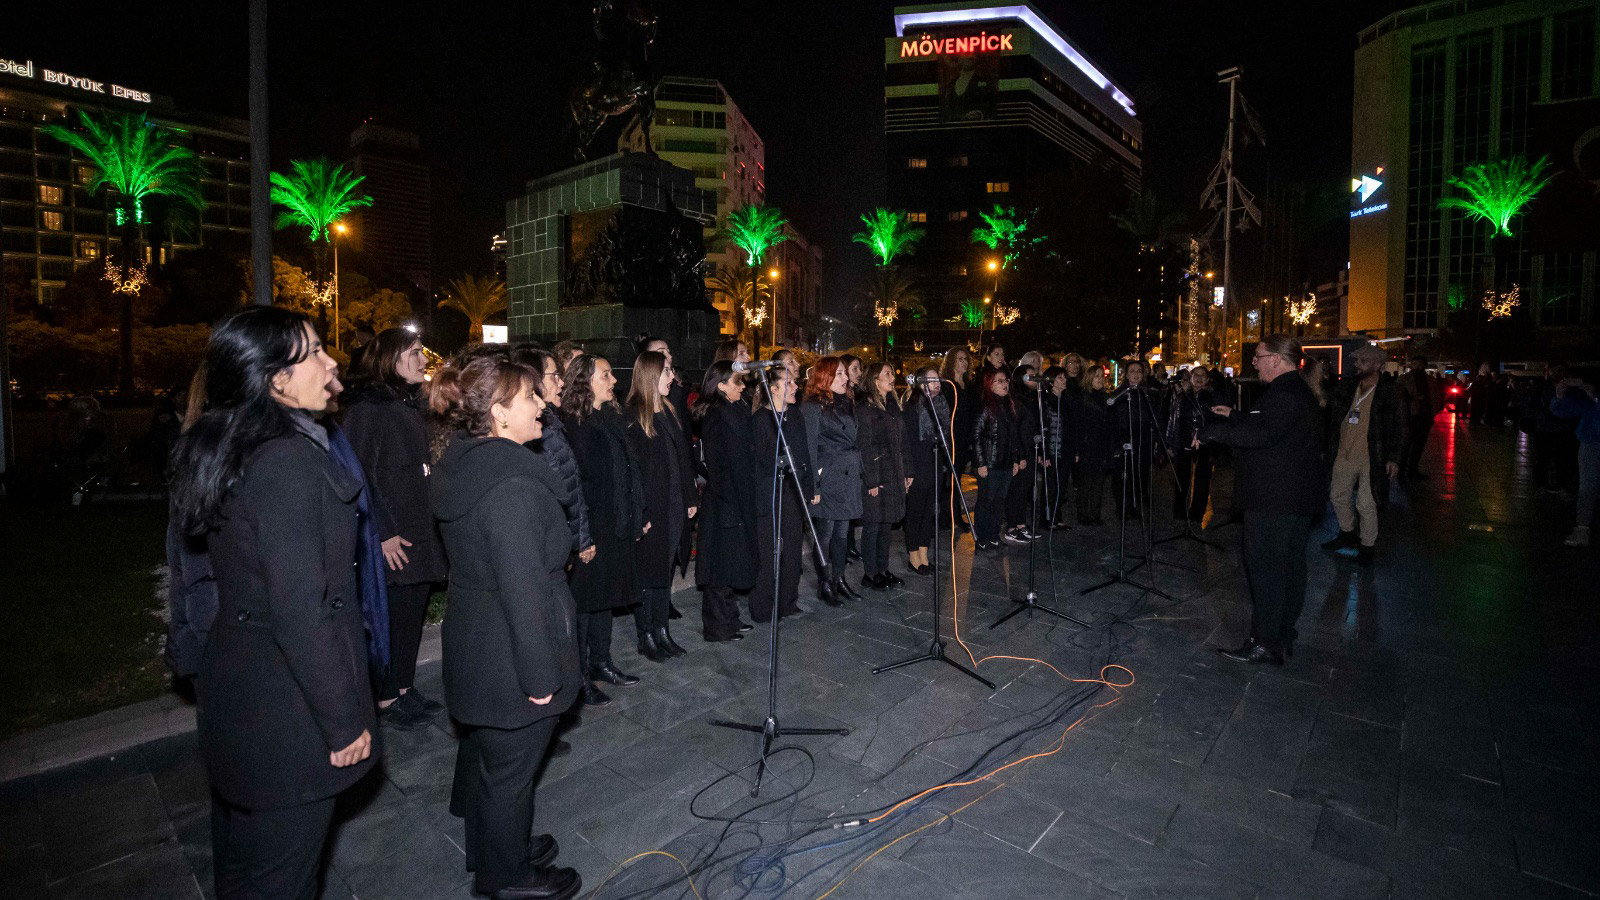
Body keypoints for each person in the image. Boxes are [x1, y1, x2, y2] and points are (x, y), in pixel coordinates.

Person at [168, 306, 374, 900]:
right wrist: (341, 722)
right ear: (276, 380)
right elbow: (302, 610)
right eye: (313, 352)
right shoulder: (285, 464)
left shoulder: (238, 444)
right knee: (282, 877)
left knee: (248, 866)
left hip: (246, 689)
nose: (332, 361)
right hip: (286, 709)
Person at [429, 353, 582, 900]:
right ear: (498, 413)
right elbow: (523, 592)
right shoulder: (511, 487)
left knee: (489, 763)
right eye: (530, 399)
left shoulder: (469, 463)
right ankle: (506, 878)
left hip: (477, 638)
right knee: (510, 773)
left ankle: (495, 846)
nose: (542, 405)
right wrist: (541, 677)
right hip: (509, 652)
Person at [341, 326, 448, 729]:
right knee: (390, 616)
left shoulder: (404, 403)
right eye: (416, 352)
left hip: (417, 529)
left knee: (411, 614)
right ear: (390, 359)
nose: (424, 360)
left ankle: (404, 686)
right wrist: (382, 532)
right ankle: (386, 696)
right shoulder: (368, 409)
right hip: (395, 535)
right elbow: (358, 474)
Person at [1199, 334, 1326, 665]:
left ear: (1276, 360)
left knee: (1267, 570)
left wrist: (1215, 431)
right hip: (1294, 500)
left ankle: (1266, 642)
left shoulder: (1283, 394)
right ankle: (1281, 632)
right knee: (1289, 567)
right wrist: (1235, 416)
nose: (1253, 362)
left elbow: (1265, 434)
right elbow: (1271, 427)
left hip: (1275, 501)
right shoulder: (1294, 391)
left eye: (1258, 356)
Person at [561, 355, 646, 705]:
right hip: (591, 528)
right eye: (606, 375)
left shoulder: (609, 417)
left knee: (605, 599)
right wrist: (582, 536)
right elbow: (574, 486)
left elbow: (628, 469)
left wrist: (638, 512)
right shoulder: (573, 425)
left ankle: (601, 660)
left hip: (614, 524)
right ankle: (578, 673)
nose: (613, 380)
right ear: (585, 382)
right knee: (585, 602)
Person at [624, 350, 697, 661]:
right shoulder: (633, 415)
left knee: (663, 573)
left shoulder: (668, 409)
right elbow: (630, 472)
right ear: (651, 376)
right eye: (667, 371)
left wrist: (691, 499)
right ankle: (646, 635)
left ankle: (662, 630)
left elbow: (683, 459)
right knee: (647, 575)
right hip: (651, 511)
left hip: (674, 506)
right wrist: (639, 514)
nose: (672, 377)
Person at [693, 361, 762, 639]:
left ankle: (730, 618)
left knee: (732, 561)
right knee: (720, 566)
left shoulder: (735, 409)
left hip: (737, 496)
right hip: (725, 499)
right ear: (721, 385)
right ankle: (717, 625)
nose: (743, 386)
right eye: (737, 382)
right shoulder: (717, 415)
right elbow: (723, 463)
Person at [1322, 345, 1405, 565]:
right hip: (1344, 452)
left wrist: (1394, 458)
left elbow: (1400, 426)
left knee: (1366, 503)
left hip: (1373, 456)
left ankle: (1367, 547)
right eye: (1357, 360)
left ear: (1377, 365)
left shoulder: (1390, 391)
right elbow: (1328, 405)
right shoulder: (1349, 386)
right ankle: (1347, 534)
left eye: (1363, 361)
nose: (1357, 364)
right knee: (1337, 495)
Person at [750, 368, 818, 616]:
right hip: (770, 492)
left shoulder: (795, 416)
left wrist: (809, 485)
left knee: (792, 548)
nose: (795, 387)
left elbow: (804, 453)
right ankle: (763, 605)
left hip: (794, 490)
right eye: (788, 383)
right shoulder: (760, 419)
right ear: (773, 388)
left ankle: (788, 601)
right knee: (769, 551)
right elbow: (758, 461)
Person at [800, 357, 865, 602]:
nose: (845, 378)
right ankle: (825, 582)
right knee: (825, 534)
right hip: (828, 477)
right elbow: (809, 448)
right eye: (839, 374)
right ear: (825, 377)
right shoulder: (813, 407)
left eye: (844, 373)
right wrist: (814, 485)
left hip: (847, 475)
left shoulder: (846, 402)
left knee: (842, 533)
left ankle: (839, 578)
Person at [856, 362, 909, 591]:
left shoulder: (892, 406)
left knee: (886, 524)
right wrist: (872, 480)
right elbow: (865, 446)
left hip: (893, 472)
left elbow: (901, 442)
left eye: (891, 372)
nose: (892, 376)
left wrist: (907, 471)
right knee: (873, 525)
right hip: (877, 474)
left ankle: (883, 569)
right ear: (875, 380)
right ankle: (870, 573)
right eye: (887, 373)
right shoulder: (865, 408)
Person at [1165, 365, 1229, 523]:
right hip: (1184, 442)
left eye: (1203, 375)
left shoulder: (1213, 396)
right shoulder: (1183, 396)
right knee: (1182, 479)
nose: (1199, 378)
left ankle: (1196, 514)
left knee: (1202, 480)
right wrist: (1170, 443)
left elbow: (1218, 421)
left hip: (1205, 443)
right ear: (1191, 378)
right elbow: (1174, 421)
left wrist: (1215, 445)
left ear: (1207, 379)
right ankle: (1180, 513)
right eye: (1196, 375)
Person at [903, 366, 951, 574]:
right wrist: (908, 471)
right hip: (918, 464)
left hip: (936, 463)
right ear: (920, 383)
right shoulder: (912, 405)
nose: (937, 382)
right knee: (915, 511)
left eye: (937, 378)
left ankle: (924, 553)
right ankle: (913, 556)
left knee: (930, 512)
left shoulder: (940, 404)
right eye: (931, 379)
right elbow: (908, 441)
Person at [971, 368, 1025, 549]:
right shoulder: (985, 406)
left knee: (999, 502)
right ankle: (982, 537)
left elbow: (1013, 436)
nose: (1005, 384)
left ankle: (994, 534)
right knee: (986, 500)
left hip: (1006, 463)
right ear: (990, 385)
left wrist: (1015, 460)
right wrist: (980, 463)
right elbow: (976, 435)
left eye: (1006, 380)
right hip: (990, 463)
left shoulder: (1009, 406)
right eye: (1000, 381)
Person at [1551, 376, 1600, 547]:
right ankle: (1582, 528)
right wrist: (1560, 394)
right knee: (1588, 486)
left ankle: (1582, 529)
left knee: (1588, 486)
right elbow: (1564, 410)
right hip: (1592, 442)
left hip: (1591, 441)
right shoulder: (1588, 396)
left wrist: (1595, 396)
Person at [1108, 360, 1159, 518]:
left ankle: (1136, 505)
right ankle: (1123, 507)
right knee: (1124, 476)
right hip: (1124, 437)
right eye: (1132, 371)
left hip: (1144, 438)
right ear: (1126, 374)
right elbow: (1113, 419)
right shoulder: (1120, 393)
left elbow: (1155, 416)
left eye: (1139, 371)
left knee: (1140, 474)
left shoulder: (1148, 392)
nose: (1136, 374)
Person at [1074, 366, 1114, 526]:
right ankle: (1083, 514)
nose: (1099, 379)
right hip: (1088, 445)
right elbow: (1078, 425)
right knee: (1086, 482)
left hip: (1102, 446)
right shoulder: (1083, 398)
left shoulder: (1105, 397)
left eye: (1101, 376)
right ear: (1089, 378)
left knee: (1099, 483)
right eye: (1096, 376)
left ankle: (1095, 514)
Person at [940, 348, 977, 476]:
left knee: (959, 471)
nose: (964, 362)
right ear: (951, 362)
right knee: (950, 475)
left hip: (966, 435)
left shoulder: (970, 385)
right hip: (952, 434)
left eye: (966, 359)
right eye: (960, 359)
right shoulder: (946, 385)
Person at [1399, 354, 1435, 479]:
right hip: (1409, 416)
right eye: (1415, 364)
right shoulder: (1404, 379)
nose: (1418, 367)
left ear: (1425, 365)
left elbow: (1435, 397)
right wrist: (1413, 398)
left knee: (1419, 444)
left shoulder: (1430, 380)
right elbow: (1398, 395)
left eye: (1420, 365)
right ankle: (1401, 469)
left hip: (1425, 415)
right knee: (1406, 444)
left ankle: (1412, 469)